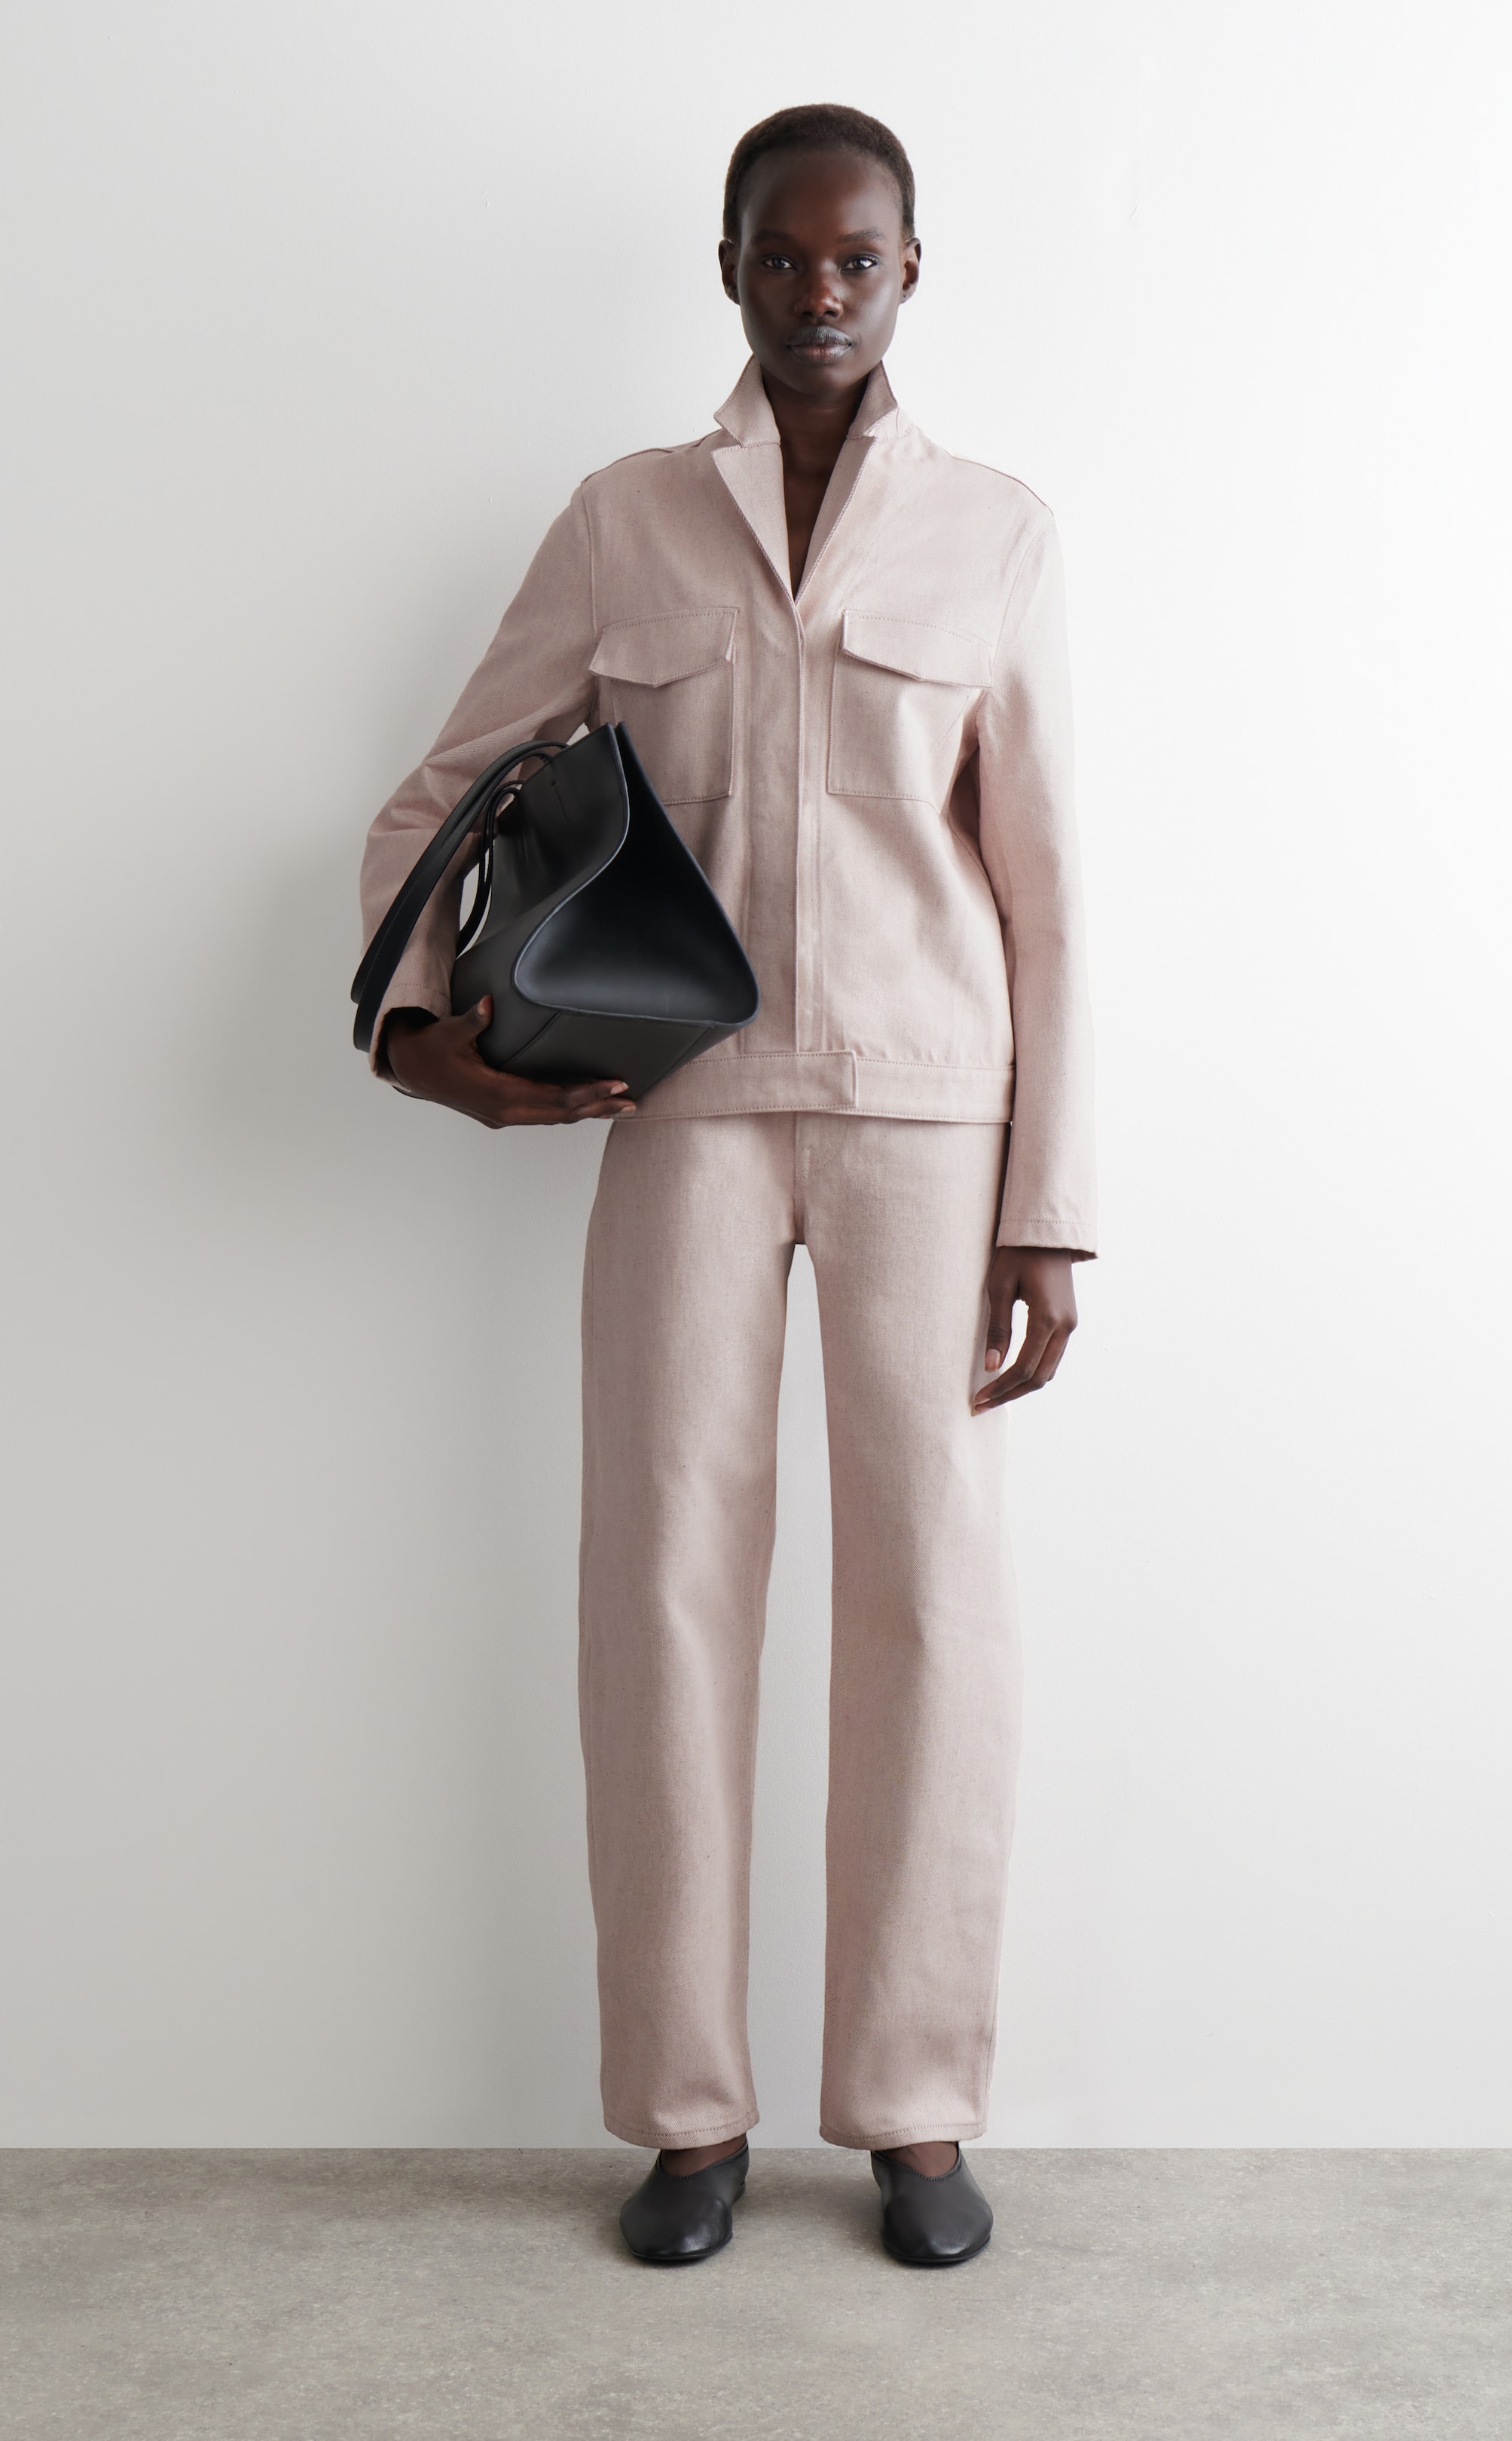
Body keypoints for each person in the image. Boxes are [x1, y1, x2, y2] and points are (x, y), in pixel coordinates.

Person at [357, 103, 1095, 2269]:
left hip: (930, 1116)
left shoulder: (998, 531)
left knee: (932, 1600)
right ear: (730, 266)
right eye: (782, 256)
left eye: (856, 258)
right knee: (663, 1581)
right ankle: (688, 2116)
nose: (819, 293)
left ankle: (915, 2110)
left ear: (910, 271)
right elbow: (447, 784)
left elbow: (1051, 886)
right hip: (675, 1108)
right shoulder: (628, 518)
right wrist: (422, 1034)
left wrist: (1052, 1204)